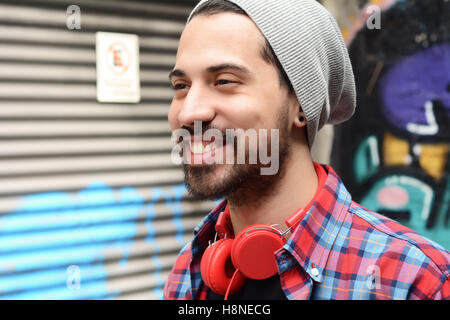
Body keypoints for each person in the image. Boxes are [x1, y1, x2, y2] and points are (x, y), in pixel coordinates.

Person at [163, 0, 450, 300]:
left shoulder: (415, 281)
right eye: (181, 86)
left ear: (301, 103)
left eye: (224, 81)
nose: (188, 114)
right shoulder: (189, 268)